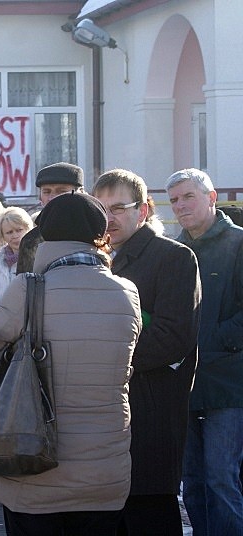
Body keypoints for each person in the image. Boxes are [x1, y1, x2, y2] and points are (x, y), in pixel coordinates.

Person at [0, 192, 141, 536]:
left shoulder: (27, 289)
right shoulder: (126, 292)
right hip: (105, 467)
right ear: (100, 234)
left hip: (34, 462)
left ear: (44, 233)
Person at [91, 169, 201, 535]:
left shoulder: (173, 258)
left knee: (148, 512)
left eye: (118, 208)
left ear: (144, 209)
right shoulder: (92, 261)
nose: (109, 219)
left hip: (151, 410)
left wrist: (104, 360)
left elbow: (172, 337)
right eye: (100, 209)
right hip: (103, 419)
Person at [166, 168, 243, 536]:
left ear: (211, 198)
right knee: (192, 480)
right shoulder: (174, 252)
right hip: (185, 385)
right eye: (175, 200)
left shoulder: (239, 243)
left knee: (221, 477)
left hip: (229, 384)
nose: (180, 205)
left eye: (188, 197)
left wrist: (214, 342)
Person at [16, 162, 84, 273]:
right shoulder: (31, 241)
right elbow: (25, 285)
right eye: (47, 192)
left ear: (80, 193)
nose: (52, 198)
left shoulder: (95, 235)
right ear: (40, 197)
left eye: (61, 191)